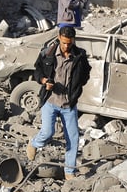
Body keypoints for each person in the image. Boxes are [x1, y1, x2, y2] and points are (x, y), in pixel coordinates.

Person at [27, 26, 92, 180]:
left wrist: (77, 87)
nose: (66, 46)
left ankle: (69, 171)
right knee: (48, 132)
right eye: (63, 43)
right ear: (59, 38)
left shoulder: (80, 56)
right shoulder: (47, 53)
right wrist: (44, 81)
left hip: (68, 104)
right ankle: (34, 143)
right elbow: (37, 70)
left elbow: (86, 73)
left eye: (69, 44)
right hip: (50, 100)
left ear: (73, 41)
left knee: (73, 138)